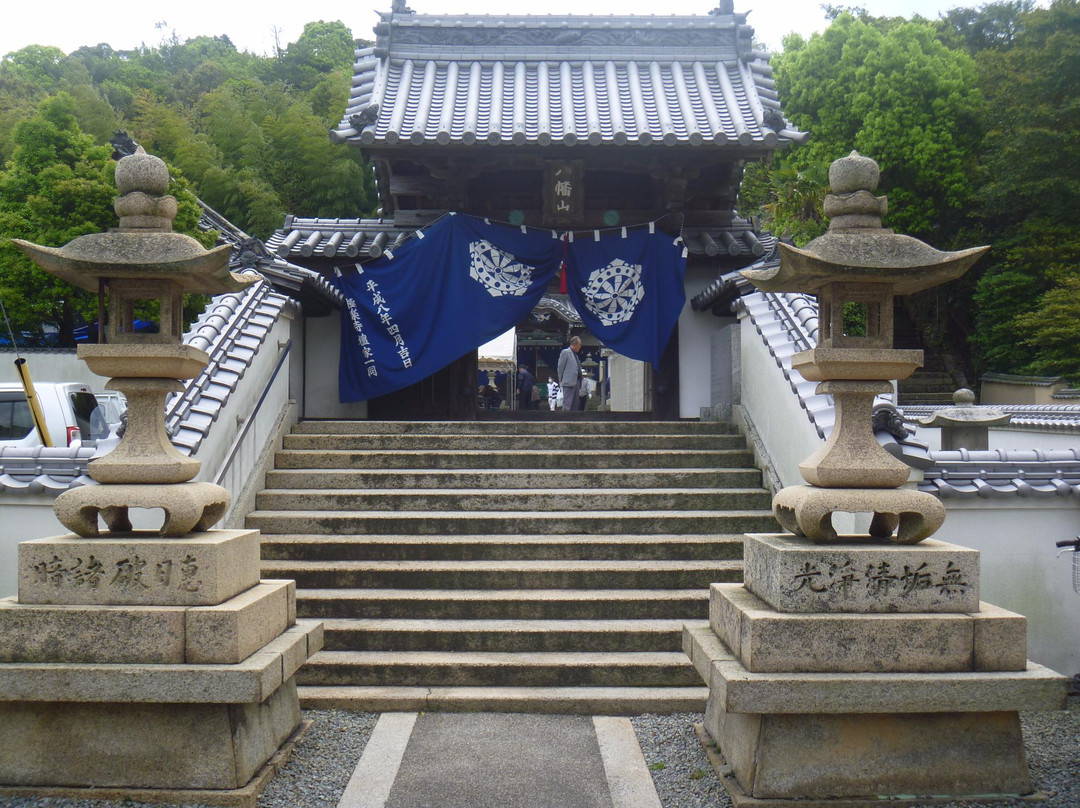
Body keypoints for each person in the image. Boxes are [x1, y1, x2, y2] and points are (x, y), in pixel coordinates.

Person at [558, 336, 582, 412]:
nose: (580, 347)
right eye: (579, 345)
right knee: (567, 403)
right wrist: (560, 379)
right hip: (568, 381)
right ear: (575, 344)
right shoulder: (566, 352)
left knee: (575, 404)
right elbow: (560, 367)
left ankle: (574, 420)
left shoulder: (575, 355)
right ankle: (565, 420)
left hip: (576, 382)